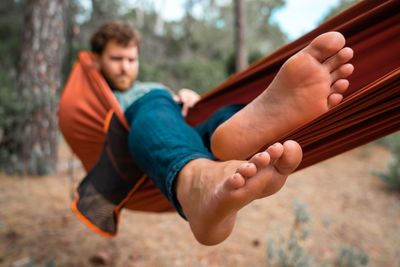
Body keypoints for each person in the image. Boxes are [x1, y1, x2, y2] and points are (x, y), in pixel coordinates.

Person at [90, 21, 353, 245]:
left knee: (226, 114)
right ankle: (196, 180)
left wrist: (183, 100)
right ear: (97, 59)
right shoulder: (96, 96)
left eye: (131, 60)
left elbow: (172, 120)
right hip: (140, 138)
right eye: (116, 59)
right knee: (152, 102)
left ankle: (230, 140)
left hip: (179, 136)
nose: (125, 67)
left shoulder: (150, 86)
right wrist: (159, 99)